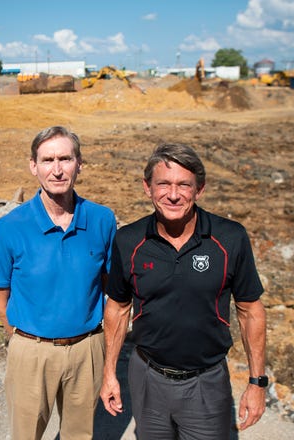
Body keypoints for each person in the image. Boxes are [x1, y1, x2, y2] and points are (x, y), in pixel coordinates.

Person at [100, 143, 267, 439]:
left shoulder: (230, 238)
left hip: (206, 382)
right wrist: (109, 373)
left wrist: (256, 383)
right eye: (163, 183)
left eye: (183, 185)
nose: (173, 195)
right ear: (147, 187)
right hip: (147, 377)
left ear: (199, 189)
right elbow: (117, 307)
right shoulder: (129, 240)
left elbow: (250, 311)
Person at [0, 125, 117, 440]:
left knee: (79, 434)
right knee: (27, 434)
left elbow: (112, 285)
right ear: (33, 166)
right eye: (47, 160)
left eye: (65, 159)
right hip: (32, 351)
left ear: (79, 164)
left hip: (87, 349)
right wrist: (18, 335)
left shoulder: (102, 220)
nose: (57, 170)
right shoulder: (10, 227)